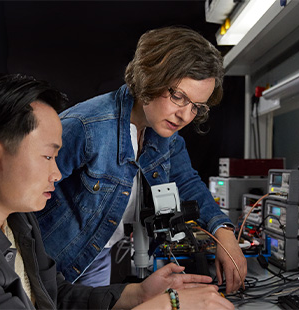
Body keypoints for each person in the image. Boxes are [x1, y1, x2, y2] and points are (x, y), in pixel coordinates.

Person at [0, 73, 234, 310]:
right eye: (49, 156)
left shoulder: (18, 223)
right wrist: (167, 306)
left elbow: (55, 296)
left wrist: (140, 294)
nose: (57, 172)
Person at [36, 26, 247, 293]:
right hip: (53, 264)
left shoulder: (165, 135)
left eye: (196, 106)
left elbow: (187, 182)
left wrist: (224, 233)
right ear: (151, 76)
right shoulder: (85, 127)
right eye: (178, 97)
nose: (185, 115)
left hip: (98, 255)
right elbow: (23, 200)